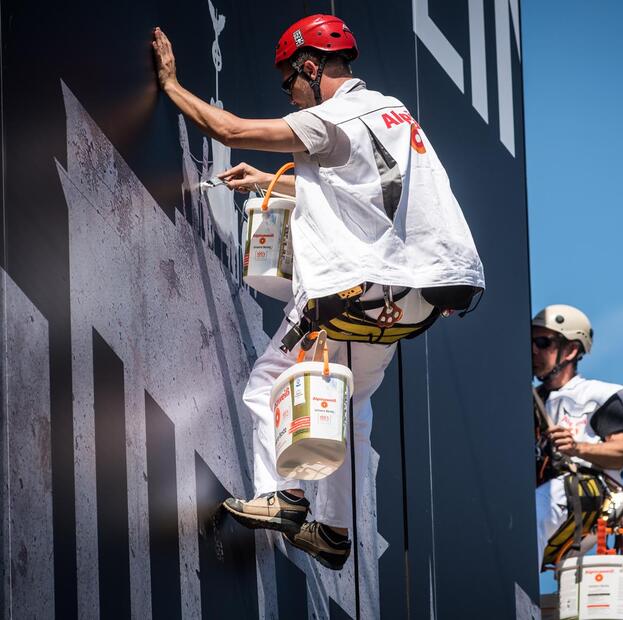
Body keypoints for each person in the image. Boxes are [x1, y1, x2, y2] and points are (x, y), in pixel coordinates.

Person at [152, 14, 484, 570]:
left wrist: (171, 86)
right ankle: (332, 529)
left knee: (267, 384)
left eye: (290, 84)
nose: (292, 96)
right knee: (348, 401)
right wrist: (267, 181)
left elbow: (229, 130)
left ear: (309, 66)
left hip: (348, 294)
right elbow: (365, 193)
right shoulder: (392, 111)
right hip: (413, 298)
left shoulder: (331, 119)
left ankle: (284, 496)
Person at [532, 304, 623, 570]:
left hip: (584, 495)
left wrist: (577, 447)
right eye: (530, 341)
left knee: (529, 517)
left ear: (571, 350)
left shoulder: (598, 395)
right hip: (546, 496)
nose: (533, 349)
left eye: (543, 342)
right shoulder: (531, 400)